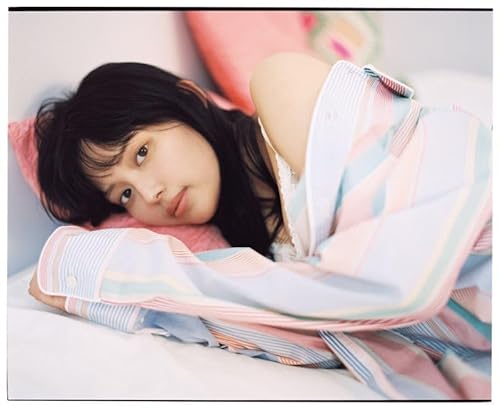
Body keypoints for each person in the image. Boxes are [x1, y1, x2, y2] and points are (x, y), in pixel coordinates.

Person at [29, 52, 331, 308]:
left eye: (141, 153)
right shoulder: (235, 253)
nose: (149, 194)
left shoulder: (279, 81)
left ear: (190, 98)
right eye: (125, 194)